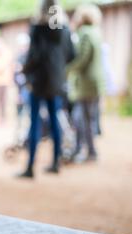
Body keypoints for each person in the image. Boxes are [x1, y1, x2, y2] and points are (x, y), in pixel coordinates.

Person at [18, 0, 75, 178]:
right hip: (56, 82)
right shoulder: (65, 30)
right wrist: (58, 69)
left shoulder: (37, 28)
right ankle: (55, 163)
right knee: (54, 121)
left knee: (34, 122)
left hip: (38, 82)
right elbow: (72, 55)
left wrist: (25, 70)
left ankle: (30, 167)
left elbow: (34, 55)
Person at [67, 4, 104, 163]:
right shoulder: (96, 32)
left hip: (86, 84)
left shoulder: (84, 33)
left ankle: (88, 151)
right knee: (88, 119)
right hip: (95, 83)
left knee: (82, 119)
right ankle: (85, 150)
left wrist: (65, 70)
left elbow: (81, 59)